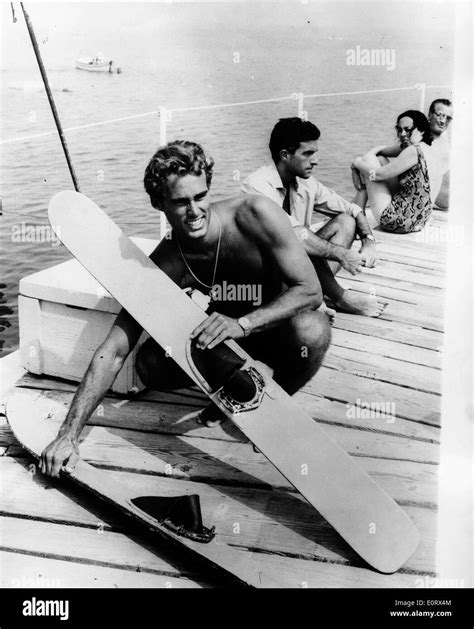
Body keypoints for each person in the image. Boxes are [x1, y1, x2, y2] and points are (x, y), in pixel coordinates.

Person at [40, 140, 331, 476]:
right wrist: (68, 435)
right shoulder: (166, 262)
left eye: (200, 196)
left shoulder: (255, 214)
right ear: (158, 203)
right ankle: (232, 393)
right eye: (180, 202)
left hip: (278, 328)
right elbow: (114, 351)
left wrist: (244, 323)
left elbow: (310, 291)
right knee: (149, 364)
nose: (194, 211)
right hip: (228, 340)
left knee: (314, 329)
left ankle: (274, 401)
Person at [241, 117, 385, 317]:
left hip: (297, 268)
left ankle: (317, 294)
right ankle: (338, 297)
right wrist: (342, 255)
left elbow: (352, 209)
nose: (315, 161)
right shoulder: (257, 185)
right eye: (308, 154)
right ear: (284, 155)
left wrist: (369, 241)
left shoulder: (306, 182)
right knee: (303, 238)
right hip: (265, 276)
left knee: (345, 221)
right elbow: (292, 236)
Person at [351, 110, 435, 234]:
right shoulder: (424, 146)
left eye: (408, 130)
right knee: (378, 159)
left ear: (421, 130)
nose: (402, 134)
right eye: (399, 129)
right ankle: (357, 213)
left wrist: (356, 163)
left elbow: (377, 175)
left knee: (368, 163)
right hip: (418, 218)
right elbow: (382, 151)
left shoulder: (412, 151)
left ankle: (356, 218)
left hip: (397, 220)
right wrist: (362, 166)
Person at [428, 98, 452, 210]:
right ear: (430, 115)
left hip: (443, 197)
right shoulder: (441, 134)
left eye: (448, 118)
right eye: (440, 115)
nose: (443, 121)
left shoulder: (441, 137)